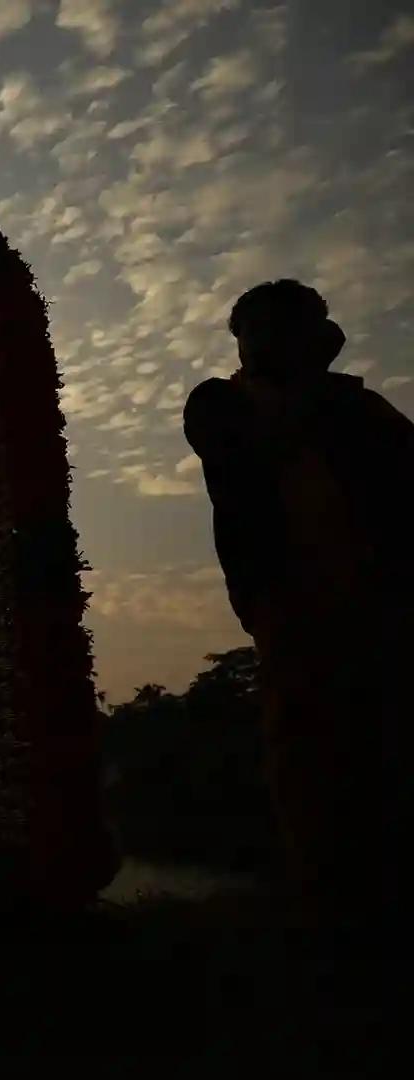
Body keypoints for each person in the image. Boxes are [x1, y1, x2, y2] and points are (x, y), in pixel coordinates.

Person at [184, 279, 413, 926]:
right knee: (312, 758)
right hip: (291, 604)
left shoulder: (360, 411)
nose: (267, 346)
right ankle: (330, 910)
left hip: (386, 605)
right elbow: (248, 443)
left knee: (386, 752)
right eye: (261, 333)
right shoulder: (223, 404)